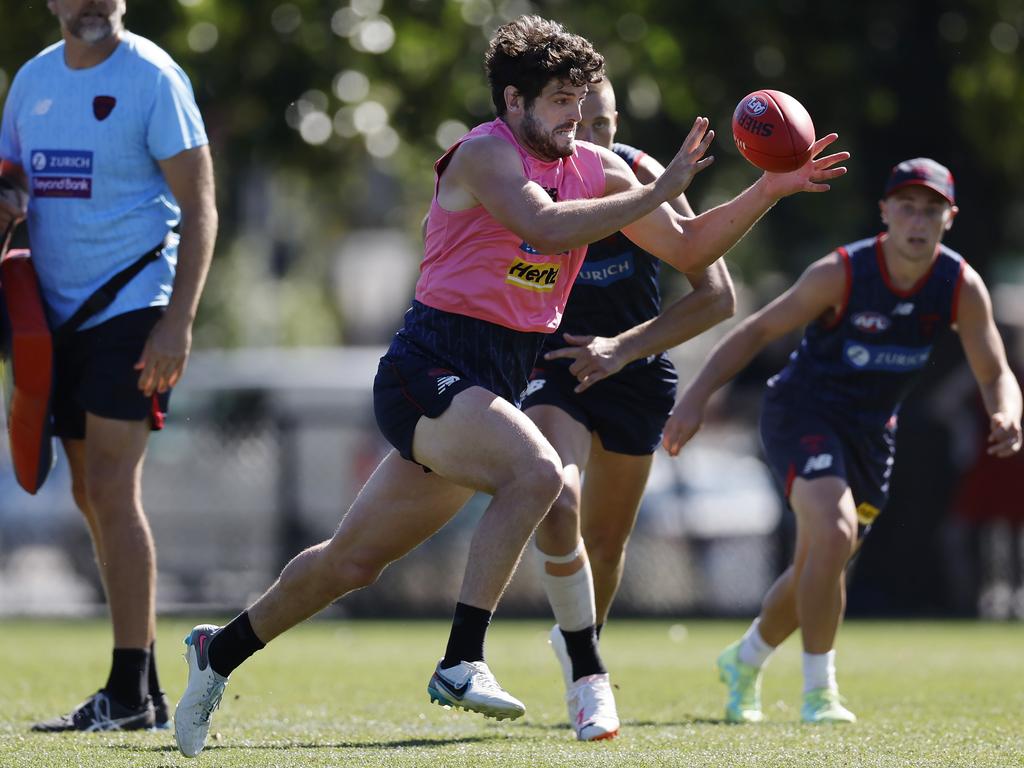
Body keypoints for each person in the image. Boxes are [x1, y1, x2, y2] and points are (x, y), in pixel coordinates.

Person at [173, 15, 847, 757]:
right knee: (539, 475)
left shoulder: (600, 167)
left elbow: (690, 246)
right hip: (426, 370)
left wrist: (767, 190)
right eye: (561, 101)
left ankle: (220, 651)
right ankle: (462, 657)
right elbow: (546, 226)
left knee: (351, 562)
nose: (578, 118)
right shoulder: (482, 156)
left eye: (584, 100)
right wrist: (661, 188)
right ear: (513, 101)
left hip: (490, 383)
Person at [663, 158, 1022, 724]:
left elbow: (995, 370)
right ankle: (818, 693)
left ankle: (745, 658)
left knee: (821, 559)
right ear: (885, 213)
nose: (918, 220)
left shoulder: (959, 284)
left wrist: (1005, 412)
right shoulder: (843, 273)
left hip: (871, 434)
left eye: (931, 210)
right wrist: (695, 397)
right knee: (833, 532)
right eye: (906, 206)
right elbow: (757, 330)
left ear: (949, 219)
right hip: (803, 411)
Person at [0, 0, 217, 732]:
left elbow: (202, 205)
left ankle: (128, 692)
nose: (91, 1)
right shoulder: (31, 82)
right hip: (54, 320)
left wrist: (177, 321)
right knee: (89, 495)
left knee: (113, 489)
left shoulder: (152, 76)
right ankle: (140, 692)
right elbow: (11, 189)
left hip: (133, 306)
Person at [521, 76, 735, 741]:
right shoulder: (527, 182)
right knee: (559, 492)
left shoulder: (646, 175)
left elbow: (717, 297)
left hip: (634, 371)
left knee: (607, 542)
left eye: (606, 124)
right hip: (556, 368)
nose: (596, 139)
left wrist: (621, 347)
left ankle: (577, 651)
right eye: (582, 125)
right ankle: (586, 670)